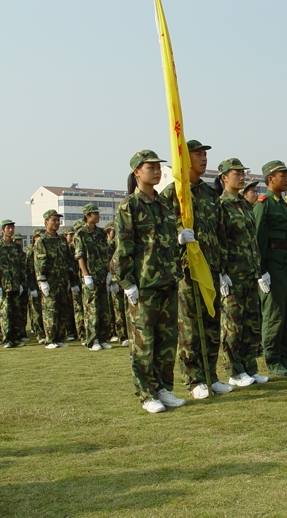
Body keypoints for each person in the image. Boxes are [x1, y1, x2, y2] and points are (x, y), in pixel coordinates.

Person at [115, 149, 186, 413]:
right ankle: (146, 394)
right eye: (150, 167)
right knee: (143, 342)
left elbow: (166, 242)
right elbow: (123, 247)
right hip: (144, 284)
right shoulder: (129, 206)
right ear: (137, 172)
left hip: (167, 280)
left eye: (158, 167)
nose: (156, 171)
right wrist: (126, 282)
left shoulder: (163, 204)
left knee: (167, 340)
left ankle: (163, 388)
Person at [161, 140, 232, 398]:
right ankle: (194, 379)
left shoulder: (209, 194)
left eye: (205, 154)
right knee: (190, 324)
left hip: (211, 268)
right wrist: (178, 235)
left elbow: (220, 233)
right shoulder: (173, 193)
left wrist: (223, 268)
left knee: (212, 322)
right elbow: (159, 231)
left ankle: (211, 375)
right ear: (184, 158)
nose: (204, 158)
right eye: (198, 154)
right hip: (186, 269)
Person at [216, 158, 268, 385]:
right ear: (224, 178)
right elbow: (219, 240)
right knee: (233, 325)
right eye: (236, 173)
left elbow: (252, 241)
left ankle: (249, 367)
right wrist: (221, 272)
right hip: (233, 275)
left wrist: (259, 270)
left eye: (242, 172)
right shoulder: (221, 205)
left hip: (249, 273)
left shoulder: (245, 205)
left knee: (251, 324)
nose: (241, 176)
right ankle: (234, 371)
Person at [254, 160, 287, 376]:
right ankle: (273, 360)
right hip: (272, 263)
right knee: (274, 313)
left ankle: (283, 357)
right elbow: (258, 240)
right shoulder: (263, 204)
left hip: (285, 262)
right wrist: (261, 271)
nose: (286, 178)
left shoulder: (282, 204)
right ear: (270, 178)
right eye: (282, 175)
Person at [34, 209, 79, 349]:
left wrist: (72, 280)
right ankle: (50, 339)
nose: (57, 223)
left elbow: (68, 260)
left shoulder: (61, 240)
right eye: (53, 220)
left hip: (62, 280)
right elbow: (40, 261)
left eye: (58, 220)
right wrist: (42, 281)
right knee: (50, 310)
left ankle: (59, 337)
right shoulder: (42, 241)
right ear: (46, 222)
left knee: (62, 310)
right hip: (50, 281)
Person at [74, 203, 113, 351]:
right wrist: (85, 275)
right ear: (87, 216)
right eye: (94, 213)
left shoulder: (101, 233)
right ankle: (92, 339)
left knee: (104, 308)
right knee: (91, 308)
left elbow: (107, 253)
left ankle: (103, 338)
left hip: (102, 274)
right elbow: (79, 255)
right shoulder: (80, 234)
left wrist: (109, 272)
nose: (98, 216)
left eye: (97, 213)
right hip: (90, 275)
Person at [0, 219, 26, 348]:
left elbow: (22, 265)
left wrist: (22, 282)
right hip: (4, 286)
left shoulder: (16, 247)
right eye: (8, 228)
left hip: (15, 285)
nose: (10, 230)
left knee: (16, 314)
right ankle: (7, 339)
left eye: (12, 228)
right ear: (2, 230)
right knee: (5, 314)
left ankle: (15, 338)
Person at [105, 221, 128, 345]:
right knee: (118, 309)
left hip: (128, 279)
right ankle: (121, 335)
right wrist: (113, 279)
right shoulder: (111, 245)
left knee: (127, 308)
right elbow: (111, 262)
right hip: (117, 280)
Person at [26, 229, 46, 344]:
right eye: (38, 236)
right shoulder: (31, 253)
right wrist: (31, 287)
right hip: (35, 284)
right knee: (36, 312)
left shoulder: (45, 249)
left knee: (46, 311)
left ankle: (47, 332)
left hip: (46, 284)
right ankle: (39, 334)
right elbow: (29, 271)